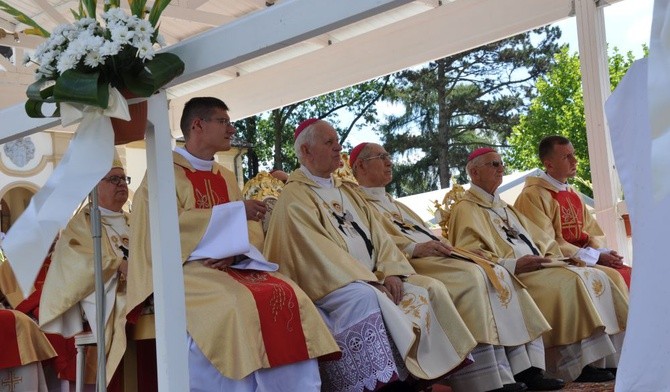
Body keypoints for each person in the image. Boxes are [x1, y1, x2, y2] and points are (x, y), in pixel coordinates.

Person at [126, 97, 339, 391]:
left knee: (289, 293)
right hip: (185, 268)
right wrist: (232, 219)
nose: (231, 129)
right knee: (236, 303)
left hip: (233, 264)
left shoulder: (225, 176)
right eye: (223, 122)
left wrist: (234, 250)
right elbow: (160, 230)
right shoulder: (163, 174)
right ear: (198, 125)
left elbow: (251, 227)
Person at [264, 119, 477, 392]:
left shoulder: (347, 191)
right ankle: (389, 385)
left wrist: (390, 271)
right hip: (329, 284)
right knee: (369, 297)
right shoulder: (295, 196)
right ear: (306, 151)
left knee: (428, 288)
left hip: (372, 277)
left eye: (337, 141)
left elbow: (381, 236)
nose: (338, 148)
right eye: (329, 143)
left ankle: (425, 376)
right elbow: (316, 252)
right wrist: (369, 279)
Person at [350, 142, 564, 391]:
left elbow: (430, 236)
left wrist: (460, 251)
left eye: (389, 155)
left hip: (435, 256)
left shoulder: (394, 203)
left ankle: (525, 368)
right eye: (381, 157)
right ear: (361, 166)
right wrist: (412, 249)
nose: (389, 162)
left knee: (494, 270)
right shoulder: (357, 204)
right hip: (411, 263)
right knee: (474, 276)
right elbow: (376, 242)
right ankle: (487, 380)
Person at [448, 147, 629, 383]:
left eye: (501, 163)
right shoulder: (466, 209)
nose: (501, 168)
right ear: (474, 172)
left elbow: (541, 239)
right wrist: (513, 264)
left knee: (596, 275)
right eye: (494, 164)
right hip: (513, 274)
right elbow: (468, 251)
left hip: (538, 267)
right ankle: (577, 365)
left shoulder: (503, 207)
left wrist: (561, 258)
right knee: (571, 281)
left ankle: (606, 359)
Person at [39, 159, 131, 390]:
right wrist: (117, 265)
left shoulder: (137, 220)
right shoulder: (82, 225)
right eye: (113, 179)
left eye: (123, 178)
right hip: (111, 299)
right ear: (93, 185)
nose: (121, 184)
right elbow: (76, 263)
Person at [513, 135, 632, 291]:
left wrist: (605, 253)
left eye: (573, 154)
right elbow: (546, 245)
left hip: (586, 261)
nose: (575, 160)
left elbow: (592, 233)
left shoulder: (574, 194)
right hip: (561, 265)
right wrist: (596, 257)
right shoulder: (532, 196)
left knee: (630, 273)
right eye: (566, 157)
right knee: (615, 277)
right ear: (549, 164)